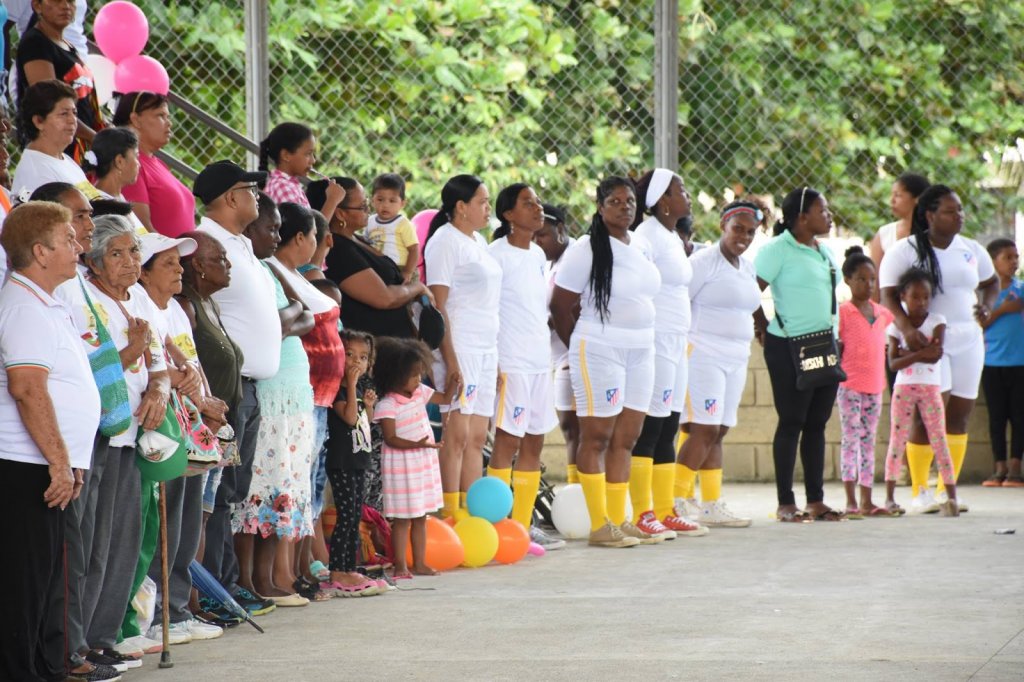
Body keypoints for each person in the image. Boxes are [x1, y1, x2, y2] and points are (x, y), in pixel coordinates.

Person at [0, 201, 102, 682]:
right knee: (22, 586)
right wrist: (60, 463)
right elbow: (27, 387)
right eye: (69, 239)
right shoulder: (22, 305)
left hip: (43, 463)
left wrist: (69, 460)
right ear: (40, 252)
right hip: (23, 466)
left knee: (42, 583)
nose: (80, 245)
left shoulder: (45, 302)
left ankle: (40, 670)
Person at [74, 215, 170, 666]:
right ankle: (81, 642)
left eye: (134, 252)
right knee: (96, 542)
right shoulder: (86, 298)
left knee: (126, 540)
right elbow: (93, 365)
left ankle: (105, 635)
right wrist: (131, 351)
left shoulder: (139, 301)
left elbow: (161, 366)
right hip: (100, 436)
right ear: (94, 263)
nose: (131, 262)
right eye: (118, 254)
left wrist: (158, 389)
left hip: (135, 435)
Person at [550, 176, 661, 547]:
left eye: (629, 201)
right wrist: (585, 346)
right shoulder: (587, 248)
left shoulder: (641, 245)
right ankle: (600, 525)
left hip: (642, 350)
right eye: (614, 201)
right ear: (599, 207)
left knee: (627, 438)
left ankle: (619, 518)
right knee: (596, 437)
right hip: (600, 349)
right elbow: (560, 305)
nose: (624, 207)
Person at [878, 184, 998, 513]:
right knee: (928, 416)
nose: (959, 216)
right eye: (950, 210)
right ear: (929, 215)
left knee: (960, 415)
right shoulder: (905, 250)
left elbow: (991, 282)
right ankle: (920, 491)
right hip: (928, 343)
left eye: (960, 210)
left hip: (968, 339)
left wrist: (987, 306)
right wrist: (905, 329)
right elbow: (888, 293)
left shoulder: (971, 249)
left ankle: (948, 489)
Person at [194, 160, 279, 616]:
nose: (257, 198)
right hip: (227, 389)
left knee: (231, 492)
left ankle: (226, 585)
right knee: (219, 492)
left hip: (251, 387)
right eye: (250, 189)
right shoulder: (207, 244)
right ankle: (217, 590)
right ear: (229, 197)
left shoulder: (242, 244)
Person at [136, 232, 229, 643]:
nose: (180, 269)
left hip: (193, 425)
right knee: (164, 522)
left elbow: (187, 362)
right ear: (145, 271)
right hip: (163, 428)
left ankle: (175, 607)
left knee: (188, 522)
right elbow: (155, 370)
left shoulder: (175, 308)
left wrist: (206, 403)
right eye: (169, 263)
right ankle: (156, 615)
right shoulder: (139, 309)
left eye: (180, 261)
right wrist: (179, 383)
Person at [236, 196, 317, 606]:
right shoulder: (247, 268)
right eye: (271, 228)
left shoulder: (269, 269)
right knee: (259, 491)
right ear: (249, 229)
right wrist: (286, 319)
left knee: (283, 491)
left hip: (294, 394)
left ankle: (268, 578)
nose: (278, 236)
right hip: (270, 395)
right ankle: (248, 579)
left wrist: (288, 318)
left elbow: (305, 314)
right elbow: (275, 322)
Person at [265, 201, 344, 588]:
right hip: (299, 396)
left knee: (307, 483)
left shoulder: (295, 275)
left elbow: (309, 315)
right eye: (315, 236)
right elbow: (303, 317)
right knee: (294, 483)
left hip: (316, 398)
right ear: (301, 238)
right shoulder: (276, 272)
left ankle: (300, 565)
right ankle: (288, 571)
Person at [755, 187, 844, 522]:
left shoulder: (823, 251)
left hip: (824, 345)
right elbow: (751, 287)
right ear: (802, 217)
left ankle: (816, 500)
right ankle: (785, 502)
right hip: (788, 345)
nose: (829, 215)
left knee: (817, 424)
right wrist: (762, 323)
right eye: (823, 210)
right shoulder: (778, 249)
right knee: (792, 421)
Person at [676, 200, 766, 529]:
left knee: (720, 430)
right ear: (722, 227)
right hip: (702, 353)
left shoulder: (747, 267)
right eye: (737, 229)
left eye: (750, 232)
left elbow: (750, 305)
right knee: (704, 428)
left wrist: (763, 327)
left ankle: (711, 504)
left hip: (736, 357)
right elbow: (678, 302)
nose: (743, 236)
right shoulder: (702, 263)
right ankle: (675, 498)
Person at [486, 183, 562, 550]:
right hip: (511, 363)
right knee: (508, 441)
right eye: (527, 203)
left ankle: (522, 524)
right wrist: (497, 362)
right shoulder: (494, 256)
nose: (538, 208)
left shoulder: (536, 255)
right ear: (508, 215)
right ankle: (499, 525)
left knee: (535, 441)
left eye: (538, 202)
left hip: (538, 362)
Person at [176, 231, 247, 624]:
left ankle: (199, 602)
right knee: (193, 516)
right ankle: (188, 603)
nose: (229, 265)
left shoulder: (208, 304)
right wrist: (203, 408)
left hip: (219, 425)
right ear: (198, 265)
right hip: (196, 426)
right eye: (220, 258)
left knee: (206, 513)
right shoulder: (187, 306)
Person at [629, 168, 703, 540]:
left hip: (677, 342)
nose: (687, 195)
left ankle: (664, 508)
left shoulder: (672, 236)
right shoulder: (645, 236)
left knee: (671, 424)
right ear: (661, 200)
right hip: (655, 341)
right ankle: (643, 512)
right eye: (681, 190)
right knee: (651, 426)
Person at [423, 174, 502, 517]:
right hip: (461, 349)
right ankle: (448, 516)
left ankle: (472, 516)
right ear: (460, 207)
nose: (488, 208)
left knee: (477, 437)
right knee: (456, 436)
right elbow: (439, 307)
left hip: (486, 349)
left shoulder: (479, 243)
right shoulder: (444, 241)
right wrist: (451, 361)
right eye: (482, 202)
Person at [372, 337, 459, 579]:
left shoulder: (420, 392)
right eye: (413, 375)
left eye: (419, 374)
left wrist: (452, 385)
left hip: (421, 464)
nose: (418, 380)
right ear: (395, 375)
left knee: (421, 516)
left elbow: (443, 399)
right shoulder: (388, 404)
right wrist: (416, 444)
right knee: (401, 519)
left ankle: (419, 562)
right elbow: (390, 438)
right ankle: (400, 565)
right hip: (401, 468)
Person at [307, 177, 428, 338]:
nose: (369, 210)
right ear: (341, 214)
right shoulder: (338, 250)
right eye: (363, 206)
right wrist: (417, 287)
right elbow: (384, 298)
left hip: (398, 341)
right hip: (376, 348)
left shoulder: (358, 238)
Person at [883, 269, 957, 516]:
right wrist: (919, 354)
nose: (921, 302)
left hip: (930, 388)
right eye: (915, 297)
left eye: (926, 297)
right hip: (903, 389)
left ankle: (951, 495)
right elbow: (892, 364)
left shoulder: (937, 320)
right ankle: (890, 498)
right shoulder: (895, 327)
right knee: (897, 440)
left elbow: (936, 356)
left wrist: (906, 354)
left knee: (939, 439)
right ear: (903, 296)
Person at [836, 246, 895, 516]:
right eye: (861, 279)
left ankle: (867, 499)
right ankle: (850, 499)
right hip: (849, 386)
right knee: (851, 440)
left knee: (869, 441)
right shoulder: (843, 313)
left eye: (872, 279)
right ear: (847, 280)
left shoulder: (882, 313)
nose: (868, 284)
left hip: (874, 386)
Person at [322, 329, 381, 596]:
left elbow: (362, 422)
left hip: (359, 459)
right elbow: (347, 418)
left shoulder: (358, 389)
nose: (357, 361)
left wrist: (368, 406)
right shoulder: (338, 387)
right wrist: (351, 385)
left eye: (363, 357)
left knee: (355, 516)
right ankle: (337, 571)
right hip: (342, 460)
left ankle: (350, 567)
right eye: (350, 355)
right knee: (345, 517)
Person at [15, 0, 103, 159]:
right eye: (56, 0)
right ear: (37, 5)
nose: (65, 6)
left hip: (79, 145)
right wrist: (95, 137)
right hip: (57, 151)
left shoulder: (66, 44)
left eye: (70, 1)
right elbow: (50, 106)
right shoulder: (35, 44)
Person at [533, 203, 579, 485]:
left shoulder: (574, 259)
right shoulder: (548, 261)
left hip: (574, 355)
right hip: (559, 355)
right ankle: (581, 494)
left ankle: (584, 494)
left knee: (578, 430)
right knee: (571, 429)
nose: (538, 243)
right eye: (534, 237)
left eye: (543, 236)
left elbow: (571, 308)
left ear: (560, 230)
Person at [115, 92, 196, 237]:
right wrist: (171, 257)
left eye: (168, 117)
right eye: (160, 116)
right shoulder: (129, 165)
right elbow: (141, 229)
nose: (169, 123)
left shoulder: (158, 163)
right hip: (162, 257)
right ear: (135, 119)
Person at [980, 238, 1024, 487]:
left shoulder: (1021, 289)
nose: (1014, 262)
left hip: (1020, 362)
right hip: (992, 362)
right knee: (997, 417)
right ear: (993, 262)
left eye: (1016, 256)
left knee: (1019, 416)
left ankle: (1016, 468)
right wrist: (1003, 309)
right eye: (1007, 257)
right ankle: (999, 468)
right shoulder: (986, 293)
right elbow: (982, 322)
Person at [11, 79, 92, 199]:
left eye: (74, 113)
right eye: (64, 114)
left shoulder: (65, 160)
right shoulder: (35, 172)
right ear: (38, 121)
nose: (72, 120)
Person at [258, 121, 344, 216]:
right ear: (286, 155)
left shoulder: (290, 185)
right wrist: (332, 200)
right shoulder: (284, 188)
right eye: (308, 154)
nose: (313, 160)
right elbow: (305, 231)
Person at [868, 173, 930, 298]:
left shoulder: (935, 234)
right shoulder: (885, 234)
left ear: (917, 199)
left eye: (898, 195)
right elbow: (875, 281)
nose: (891, 200)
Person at [83, 126, 147, 234]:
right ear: (119, 161)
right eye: (136, 156)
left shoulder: (116, 197)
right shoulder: (102, 207)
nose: (139, 164)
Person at [365, 172, 419, 283]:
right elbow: (366, 242)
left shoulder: (403, 224)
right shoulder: (369, 221)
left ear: (402, 203)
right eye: (380, 200)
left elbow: (414, 249)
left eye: (392, 201)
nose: (385, 205)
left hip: (400, 267)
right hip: (377, 266)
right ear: (372, 201)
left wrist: (408, 271)